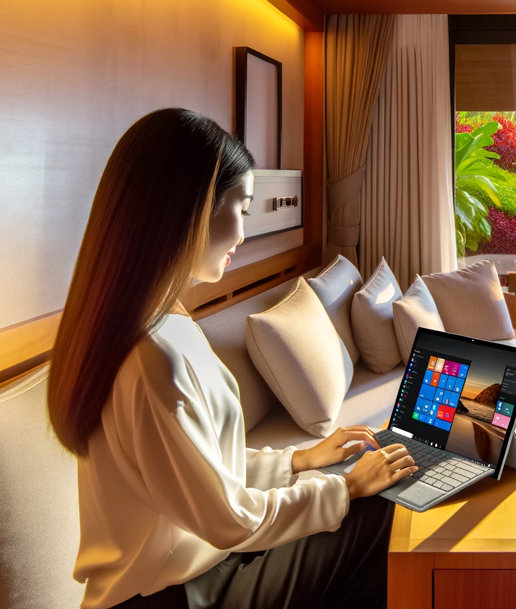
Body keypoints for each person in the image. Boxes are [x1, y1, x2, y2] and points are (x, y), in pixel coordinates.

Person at [47, 108, 417, 609]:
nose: (243, 233)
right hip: (169, 593)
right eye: (242, 208)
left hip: (192, 567)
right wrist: (344, 489)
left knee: (363, 497)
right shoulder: (149, 358)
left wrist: (301, 459)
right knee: (377, 513)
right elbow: (226, 518)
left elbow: (200, 469)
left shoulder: (162, 323)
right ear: (194, 207)